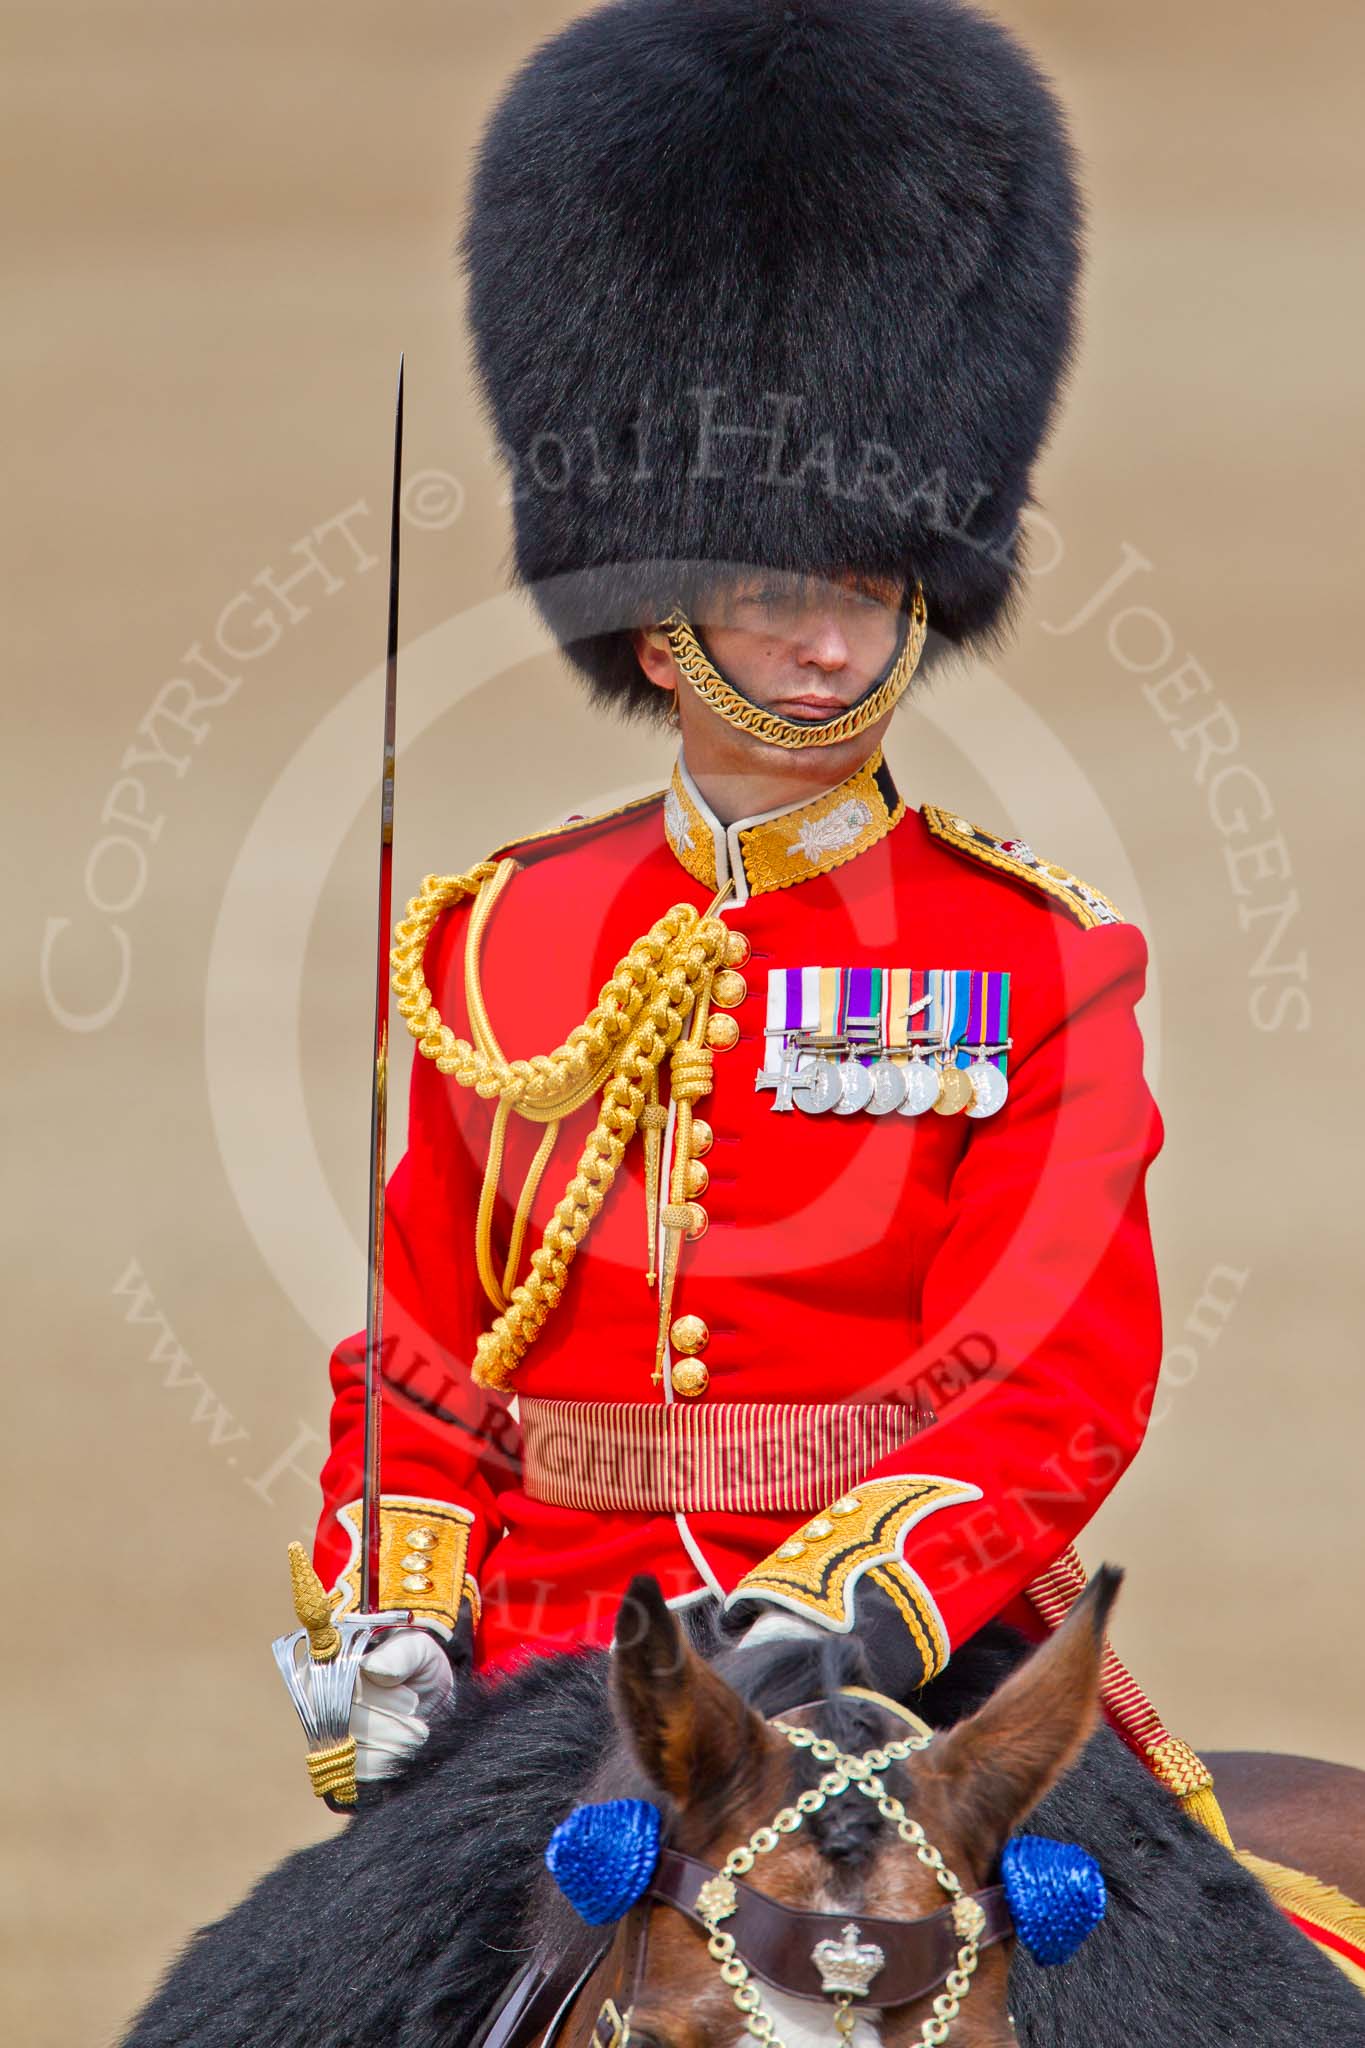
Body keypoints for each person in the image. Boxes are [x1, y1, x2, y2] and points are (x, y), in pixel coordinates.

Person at [311, 0, 1176, 1802]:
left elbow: (1057, 1372)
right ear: (657, 613)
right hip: (550, 1676)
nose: (824, 637)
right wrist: (393, 1614)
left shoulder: (1029, 956)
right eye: (771, 588)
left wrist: (848, 1606)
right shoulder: (504, 938)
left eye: (865, 588)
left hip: (899, 1678)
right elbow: (423, 1350)